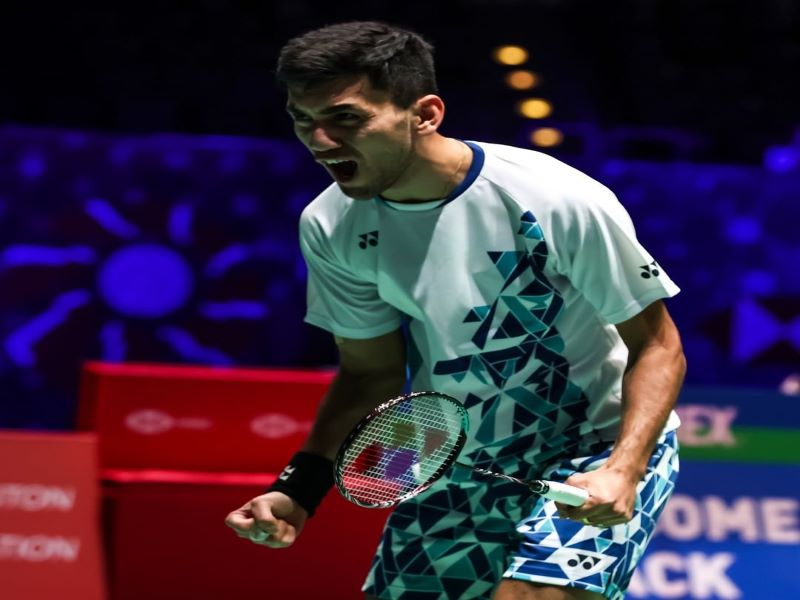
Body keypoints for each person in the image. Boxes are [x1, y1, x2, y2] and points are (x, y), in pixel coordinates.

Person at [225, 20, 686, 600]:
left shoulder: (556, 198)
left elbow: (658, 345)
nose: (319, 140)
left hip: (592, 448)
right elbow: (369, 372)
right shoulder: (330, 225)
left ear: (425, 114)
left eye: (345, 118)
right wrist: (299, 489)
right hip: (459, 463)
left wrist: (624, 467)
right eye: (303, 120)